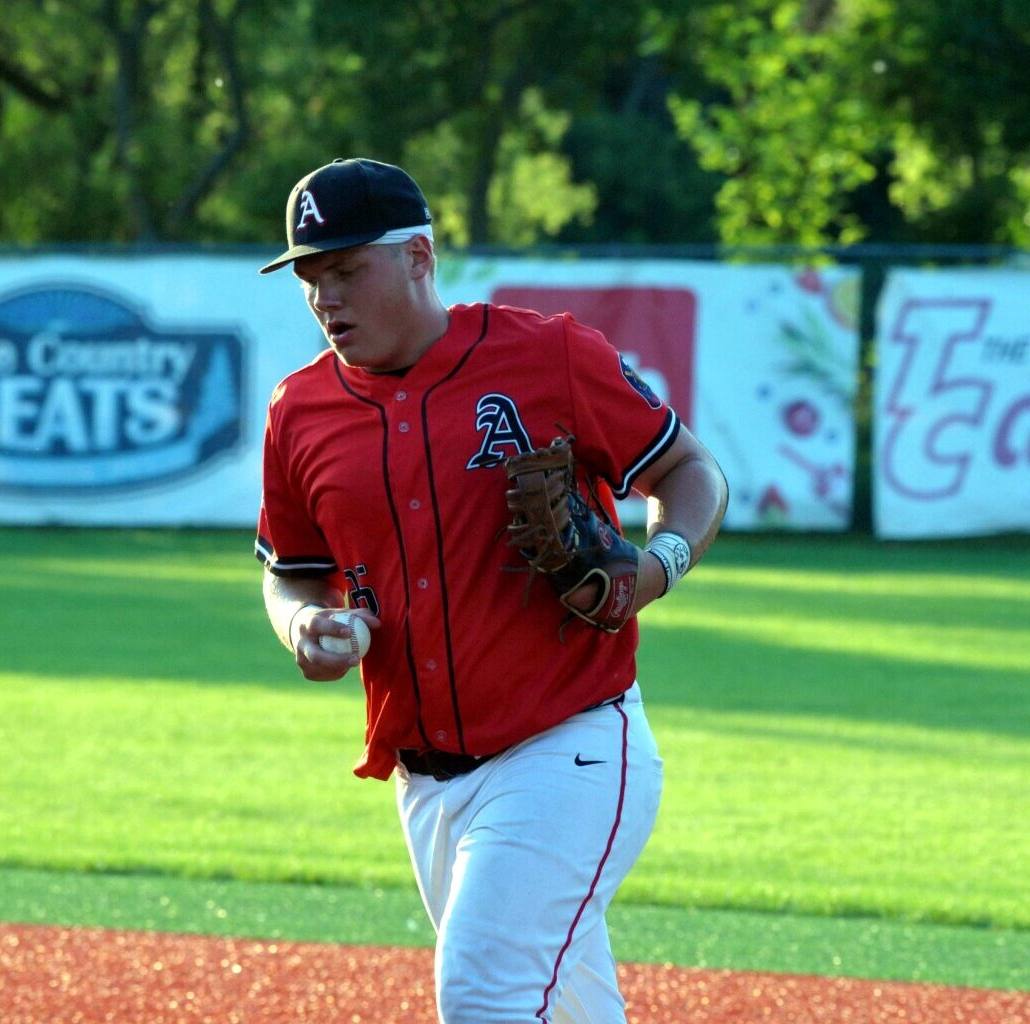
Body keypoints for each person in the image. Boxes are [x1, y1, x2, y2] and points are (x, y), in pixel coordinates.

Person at [254, 157, 728, 1024]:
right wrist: (305, 625)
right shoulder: (299, 411)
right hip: (425, 783)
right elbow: (290, 574)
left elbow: (689, 470)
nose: (326, 297)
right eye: (310, 276)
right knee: (569, 1009)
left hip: (569, 750)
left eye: (347, 269)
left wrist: (658, 565)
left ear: (419, 257)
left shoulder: (547, 356)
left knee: (483, 992)